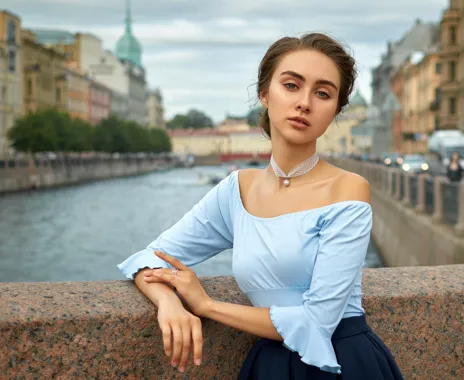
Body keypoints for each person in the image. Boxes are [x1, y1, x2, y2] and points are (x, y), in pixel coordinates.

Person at [117, 33, 403, 379]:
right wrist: (167, 301)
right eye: (292, 85)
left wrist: (206, 305)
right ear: (265, 94)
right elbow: (151, 257)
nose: (305, 103)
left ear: (335, 112)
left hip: (343, 362)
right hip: (270, 365)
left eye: (323, 93)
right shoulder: (235, 190)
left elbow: (316, 321)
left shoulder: (348, 190)